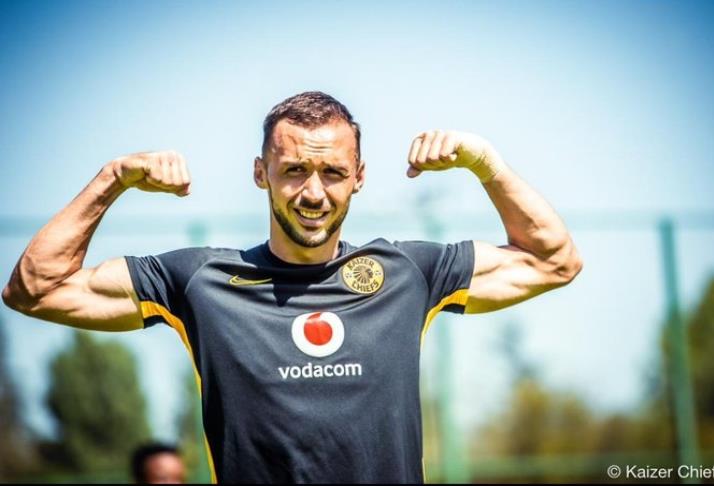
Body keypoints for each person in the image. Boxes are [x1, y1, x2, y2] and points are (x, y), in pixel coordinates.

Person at [3, 91, 582, 483]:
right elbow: (36, 288)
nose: (313, 193)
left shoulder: (409, 272)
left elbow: (554, 261)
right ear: (262, 173)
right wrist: (112, 179)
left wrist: (487, 164)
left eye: (333, 172)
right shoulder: (198, 281)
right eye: (294, 170)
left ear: (358, 178)